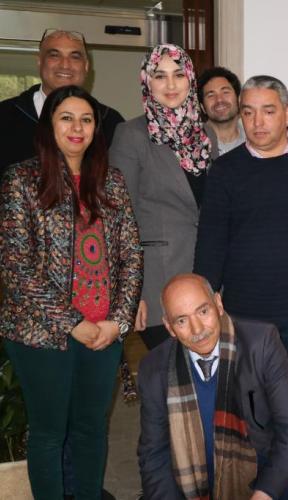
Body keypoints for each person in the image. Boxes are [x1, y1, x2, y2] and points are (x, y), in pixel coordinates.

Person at [194, 75, 288, 498]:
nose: (257, 122)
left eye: (268, 111)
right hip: (246, 317)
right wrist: (206, 294)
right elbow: (211, 241)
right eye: (249, 112)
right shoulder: (225, 170)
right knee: (252, 412)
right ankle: (257, 485)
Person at [0, 85, 143, 499]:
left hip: (104, 333)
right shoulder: (21, 180)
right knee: (49, 431)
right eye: (66, 118)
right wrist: (73, 323)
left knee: (91, 428)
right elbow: (16, 265)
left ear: (96, 128)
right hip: (41, 334)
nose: (77, 127)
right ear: (49, 125)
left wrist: (118, 321)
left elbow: (131, 255)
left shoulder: (111, 181)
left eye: (86, 119)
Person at [137, 273, 288, 500]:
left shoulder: (261, 343)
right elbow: (154, 453)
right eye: (182, 321)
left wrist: (264, 493)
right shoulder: (153, 368)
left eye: (203, 311)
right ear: (169, 327)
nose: (197, 330)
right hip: (190, 476)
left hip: (258, 461)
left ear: (218, 304)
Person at [110, 44, 212, 351]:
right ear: (147, 82)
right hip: (156, 282)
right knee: (170, 371)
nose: (171, 84)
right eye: (159, 75)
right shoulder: (131, 135)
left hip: (204, 276)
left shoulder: (206, 135)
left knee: (205, 371)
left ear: (190, 80)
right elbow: (118, 217)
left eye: (179, 74)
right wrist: (132, 293)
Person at [0, 28, 124, 176]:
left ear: (86, 66)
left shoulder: (110, 122)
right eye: (54, 55)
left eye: (75, 57)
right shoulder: (4, 116)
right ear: (39, 62)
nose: (65, 65)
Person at [198, 66, 246, 157]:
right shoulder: (192, 145)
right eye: (211, 95)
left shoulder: (254, 141)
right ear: (202, 107)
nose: (219, 100)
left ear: (239, 99)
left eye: (225, 92)